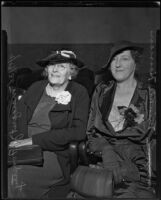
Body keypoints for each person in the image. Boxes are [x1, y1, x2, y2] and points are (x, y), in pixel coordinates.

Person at [8, 50, 90, 198]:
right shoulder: (36, 87)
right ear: (46, 70)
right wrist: (13, 141)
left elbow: (78, 132)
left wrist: (33, 140)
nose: (55, 69)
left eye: (62, 66)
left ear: (71, 73)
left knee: (14, 177)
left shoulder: (79, 93)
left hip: (53, 155)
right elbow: (15, 119)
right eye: (52, 65)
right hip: (21, 150)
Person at [86, 41, 156, 198]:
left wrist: (125, 168)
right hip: (102, 167)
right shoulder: (101, 92)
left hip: (137, 174)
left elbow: (152, 142)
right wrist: (106, 150)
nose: (117, 64)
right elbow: (91, 133)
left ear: (135, 63)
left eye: (124, 59)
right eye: (113, 60)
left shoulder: (149, 96)